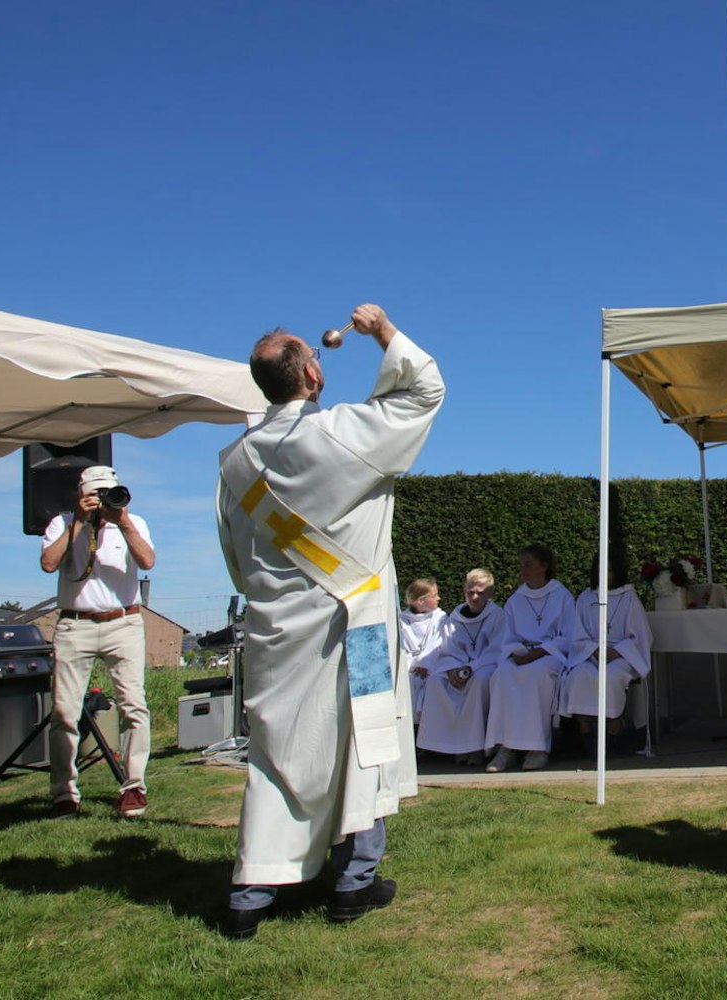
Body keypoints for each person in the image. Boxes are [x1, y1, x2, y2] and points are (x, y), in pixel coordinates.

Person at [215, 302, 444, 940]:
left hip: (276, 632)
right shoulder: (345, 432)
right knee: (364, 743)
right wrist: (384, 331)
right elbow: (427, 387)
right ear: (312, 378)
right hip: (358, 624)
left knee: (278, 753)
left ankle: (252, 890)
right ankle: (353, 883)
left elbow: (236, 557)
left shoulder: (234, 463)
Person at [38, 464, 155, 819]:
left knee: (134, 705)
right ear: (81, 494)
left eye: (108, 493)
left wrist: (123, 520)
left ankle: (134, 786)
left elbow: (148, 560)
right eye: (96, 495)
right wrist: (78, 522)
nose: (102, 501)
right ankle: (64, 793)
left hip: (123, 621)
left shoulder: (132, 522)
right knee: (64, 712)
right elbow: (48, 563)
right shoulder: (62, 523)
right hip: (76, 625)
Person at [483, 545, 572, 772]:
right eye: (521, 565)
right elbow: (508, 636)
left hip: (549, 655)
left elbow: (569, 635)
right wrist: (517, 652)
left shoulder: (561, 595)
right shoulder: (516, 599)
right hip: (522, 655)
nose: (523, 570)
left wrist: (540, 652)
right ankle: (505, 747)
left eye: (528, 565)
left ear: (544, 566)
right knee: (503, 674)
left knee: (537, 675)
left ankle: (537, 748)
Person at [557, 552, 653, 750]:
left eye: (608, 570)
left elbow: (640, 635)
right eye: (599, 570)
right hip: (591, 654)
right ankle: (584, 726)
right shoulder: (586, 598)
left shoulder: (628, 597)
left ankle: (614, 725)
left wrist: (617, 651)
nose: (603, 574)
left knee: (611, 677)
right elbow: (577, 635)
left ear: (616, 572)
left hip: (622, 655)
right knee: (579, 675)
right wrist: (594, 649)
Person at [414, 569, 505, 766]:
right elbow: (448, 648)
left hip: (485, 665)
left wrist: (471, 668)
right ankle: (445, 746)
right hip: (458, 665)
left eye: (480, 593)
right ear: (464, 590)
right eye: (470, 592)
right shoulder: (455, 616)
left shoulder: (498, 615)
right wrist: (452, 668)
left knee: (479, 681)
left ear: (489, 593)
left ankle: (475, 747)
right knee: (436, 680)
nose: (474, 597)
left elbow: (497, 649)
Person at [398, 579, 446, 717]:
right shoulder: (401, 620)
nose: (439, 598)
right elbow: (401, 649)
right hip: (408, 667)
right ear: (420, 601)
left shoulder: (440, 618)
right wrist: (412, 667)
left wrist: (424, 664)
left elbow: (437, 644)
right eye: (434, 595)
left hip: (432, 665)